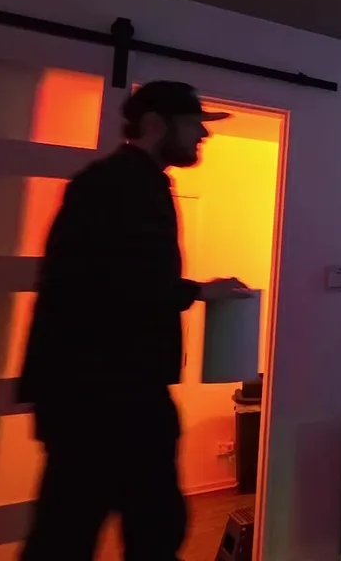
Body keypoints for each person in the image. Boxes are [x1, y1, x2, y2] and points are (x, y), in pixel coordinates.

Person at [17, 80, 252, 561]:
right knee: (81, 530)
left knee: (131, 523)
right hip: (99, 395)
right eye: (193, 124)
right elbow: (118, 282)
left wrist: (193, 290)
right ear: (154, 124)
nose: (202, 135)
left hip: (108, 391)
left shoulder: (134, 183)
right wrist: (197, 291)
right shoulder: (117, 186)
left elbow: (123, 277)